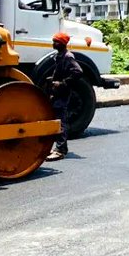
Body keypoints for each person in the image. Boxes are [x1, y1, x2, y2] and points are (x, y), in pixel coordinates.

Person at [45, 32, 81, 161]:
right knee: (54, 118)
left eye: (56, 42)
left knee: (61, 119)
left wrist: (63, 83)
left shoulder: (68, 56)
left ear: (63, 44)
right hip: (56, 91)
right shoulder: (59, 56)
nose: (54, 44)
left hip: (62, 91)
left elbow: (78, 72)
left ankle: (61, 149)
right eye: (53, 41)